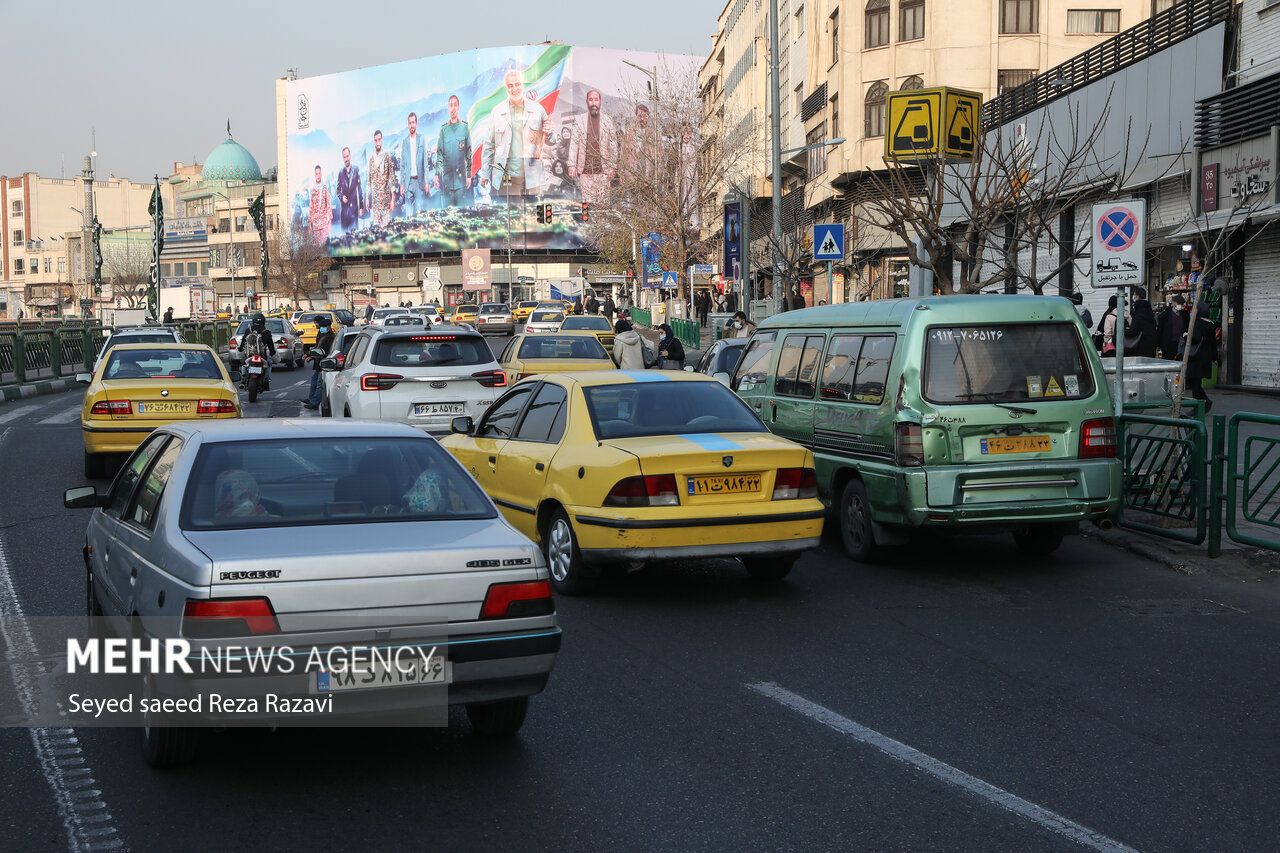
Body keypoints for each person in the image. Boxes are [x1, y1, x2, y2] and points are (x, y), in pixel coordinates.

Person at [480, 66, 550, 199]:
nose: (514, 89)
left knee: (533, 216)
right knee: (511, 217)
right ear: (506, 88)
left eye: (517, 84)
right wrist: (485, 173)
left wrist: (549, 132)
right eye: (510, 85)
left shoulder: (537, 110)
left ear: (523, 85)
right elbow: (489, 145)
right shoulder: (497, 112)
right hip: (507, 177)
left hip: (532, 176)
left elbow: (551, 140)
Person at [568, 88, 618, 204]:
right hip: (585, 172)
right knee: (588, 207)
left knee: (603, 206)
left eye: (596, 99)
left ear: (600, 101)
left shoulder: (608, 120)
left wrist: (613, 166)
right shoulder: (579, 120)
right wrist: (571, 164)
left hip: (603, 173)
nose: (594, 103)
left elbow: (613, 145)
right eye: (591, 100)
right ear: (586, 102)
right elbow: (574, 144)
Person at [436, 95, 473, 209]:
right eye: (450, 105)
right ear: (448, 109)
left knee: (461, 215)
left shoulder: (464, 127)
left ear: (458, 107)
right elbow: (439, 155)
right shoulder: (443, 130)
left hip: (460, 182)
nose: (453, 108)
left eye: (455, 105)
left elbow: (468, 153)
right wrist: (437, 175)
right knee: (448, 217)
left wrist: (468, 175)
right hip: (447, 182)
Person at [1185, 302, 1219, 412]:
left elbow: (1195, 338)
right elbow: (1213, 343)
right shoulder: (1210, 324)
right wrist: (1215, 358)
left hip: (1196, 357)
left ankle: (1199, 405)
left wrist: (1186, 336)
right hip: (1205, 358)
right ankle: (1204, 402)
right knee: (1196, 382)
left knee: (1194, 383)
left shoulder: (1197, 323)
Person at [398, 112, 428, 217]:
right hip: (408, 183)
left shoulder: (422, 138)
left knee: (420, 214)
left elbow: (425, 162)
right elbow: (402, 166)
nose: (412, 125)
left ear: (416, 124)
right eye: (410, 123)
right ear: (408, 125)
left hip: (419, 182)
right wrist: (402, 184)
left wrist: (427, 182)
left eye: (413, 122)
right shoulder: (404, 142)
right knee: (409, 216)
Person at [303, 314, 335, 410]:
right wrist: (311, 356)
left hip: (324, 363)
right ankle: (312, 399)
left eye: (322, 327)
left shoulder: (329, 337)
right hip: (319, 363)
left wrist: (311, 356)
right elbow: (318, 348)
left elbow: (322, 350)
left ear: (328, 327)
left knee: (319, 385)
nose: (320, 328)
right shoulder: (323, 335)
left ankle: (315, 402)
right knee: (315, 381)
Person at [238, 312, 277, 391]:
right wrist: (273, 353)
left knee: (244, 362)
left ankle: (243, 379)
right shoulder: (266, 332)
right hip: (262, 357)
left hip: (249, 355)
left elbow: (243, 343)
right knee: (269, 363)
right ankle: (267, 378)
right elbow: (271, 346)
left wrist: (241, 348)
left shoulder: (248, 330)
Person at [366, 130, 395, 227]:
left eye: (379, 140)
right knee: (377, 233)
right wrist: (366, 198)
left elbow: (391, 177)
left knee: (387, 231)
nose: (378, 143)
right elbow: (369, 180)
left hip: (386, 203)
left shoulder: (386, 156)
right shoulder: (371, 159)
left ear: (381, 140)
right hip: (375, 205)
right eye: (375, 140)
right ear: (374, 142)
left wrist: (393, 198)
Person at [1126, 287, 1159, 358]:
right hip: (1151, 347)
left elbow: (1133, 331)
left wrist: (1123, 331)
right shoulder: (1149, 312)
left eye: (1134, 295)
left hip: (1140, 347)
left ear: (1137, 296)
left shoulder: (1137, 314)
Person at [337, 146, 363, 231]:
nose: (346, 159)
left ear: (350, 156)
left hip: (354, 211)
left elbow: (359, 190)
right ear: (342, 158)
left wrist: (361, 207)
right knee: (344, 238)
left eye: (347, 156)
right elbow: (338, 190)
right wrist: (341, 197)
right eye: (344, 157)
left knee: (355, 238)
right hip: (344, 212)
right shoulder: (340, 173)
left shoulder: (356, 170)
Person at [1157, 295, 1188, 359]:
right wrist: (1158, 344)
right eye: (1179, 303)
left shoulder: (1185, 315)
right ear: (1173, 303)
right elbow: (1160, 329)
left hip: (1181, 344)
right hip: (1168, 344)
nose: (1180, 305)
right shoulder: (1165, 315)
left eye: (1182, 304)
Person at [308, 165, 332, 245]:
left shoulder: (325, 188)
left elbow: (328, 205)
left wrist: (330, 222)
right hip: (316, 225)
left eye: (319, 173)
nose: (318, 175)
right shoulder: (313, 190)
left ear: (321, 174)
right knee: (317, 250)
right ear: (315, 175)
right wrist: (309, 224)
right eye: (316, 174)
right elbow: (311, 208)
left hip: (324, 223)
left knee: (325, 247)